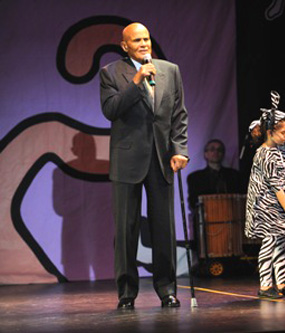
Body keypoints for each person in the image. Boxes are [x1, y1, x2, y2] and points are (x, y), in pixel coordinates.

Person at [99, 22, 189, 309]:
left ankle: (167, 290)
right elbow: (111, 110)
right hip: (127, 160)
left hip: (161, 158)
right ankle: (127, 294)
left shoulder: (170, 70)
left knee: (164, 227)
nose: (143, 44)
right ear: (124, 45)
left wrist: (180, 150)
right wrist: (137, 81)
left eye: (146, 39)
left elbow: (179, 115)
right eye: (137, 40)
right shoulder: (111, 73)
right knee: (126, 229)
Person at [245, 91, 285, 299]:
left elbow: (282, 179)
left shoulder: (280, 149)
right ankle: (266, 285)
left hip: (277, 205)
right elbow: (274, 186)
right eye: (283, 132)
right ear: (270, 131)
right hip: (265, 206)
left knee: (280, 244)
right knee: (269, 243)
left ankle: (282, 282)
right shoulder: (265, 153)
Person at [187, 139, 245, 211]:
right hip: (207, 217)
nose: (216, 152)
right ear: (206, 154)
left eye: (219, 150)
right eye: (212, 149)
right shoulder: (195, 178)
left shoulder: (235, 175)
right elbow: (193, 203)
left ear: (223, 154)